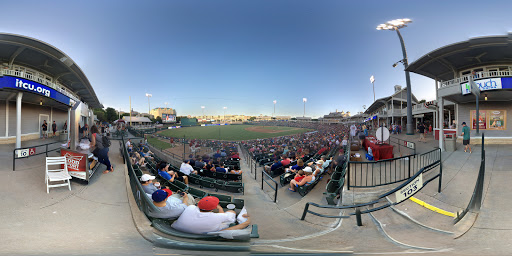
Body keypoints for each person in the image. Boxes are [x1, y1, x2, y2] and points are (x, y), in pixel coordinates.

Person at [171, 196, 250, 234]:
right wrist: (220, 208)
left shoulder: (190, 207)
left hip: (177, 230)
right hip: (207, 233)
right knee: (231, 213)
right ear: (214, 207)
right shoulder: (217, 217)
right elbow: (227, 217)